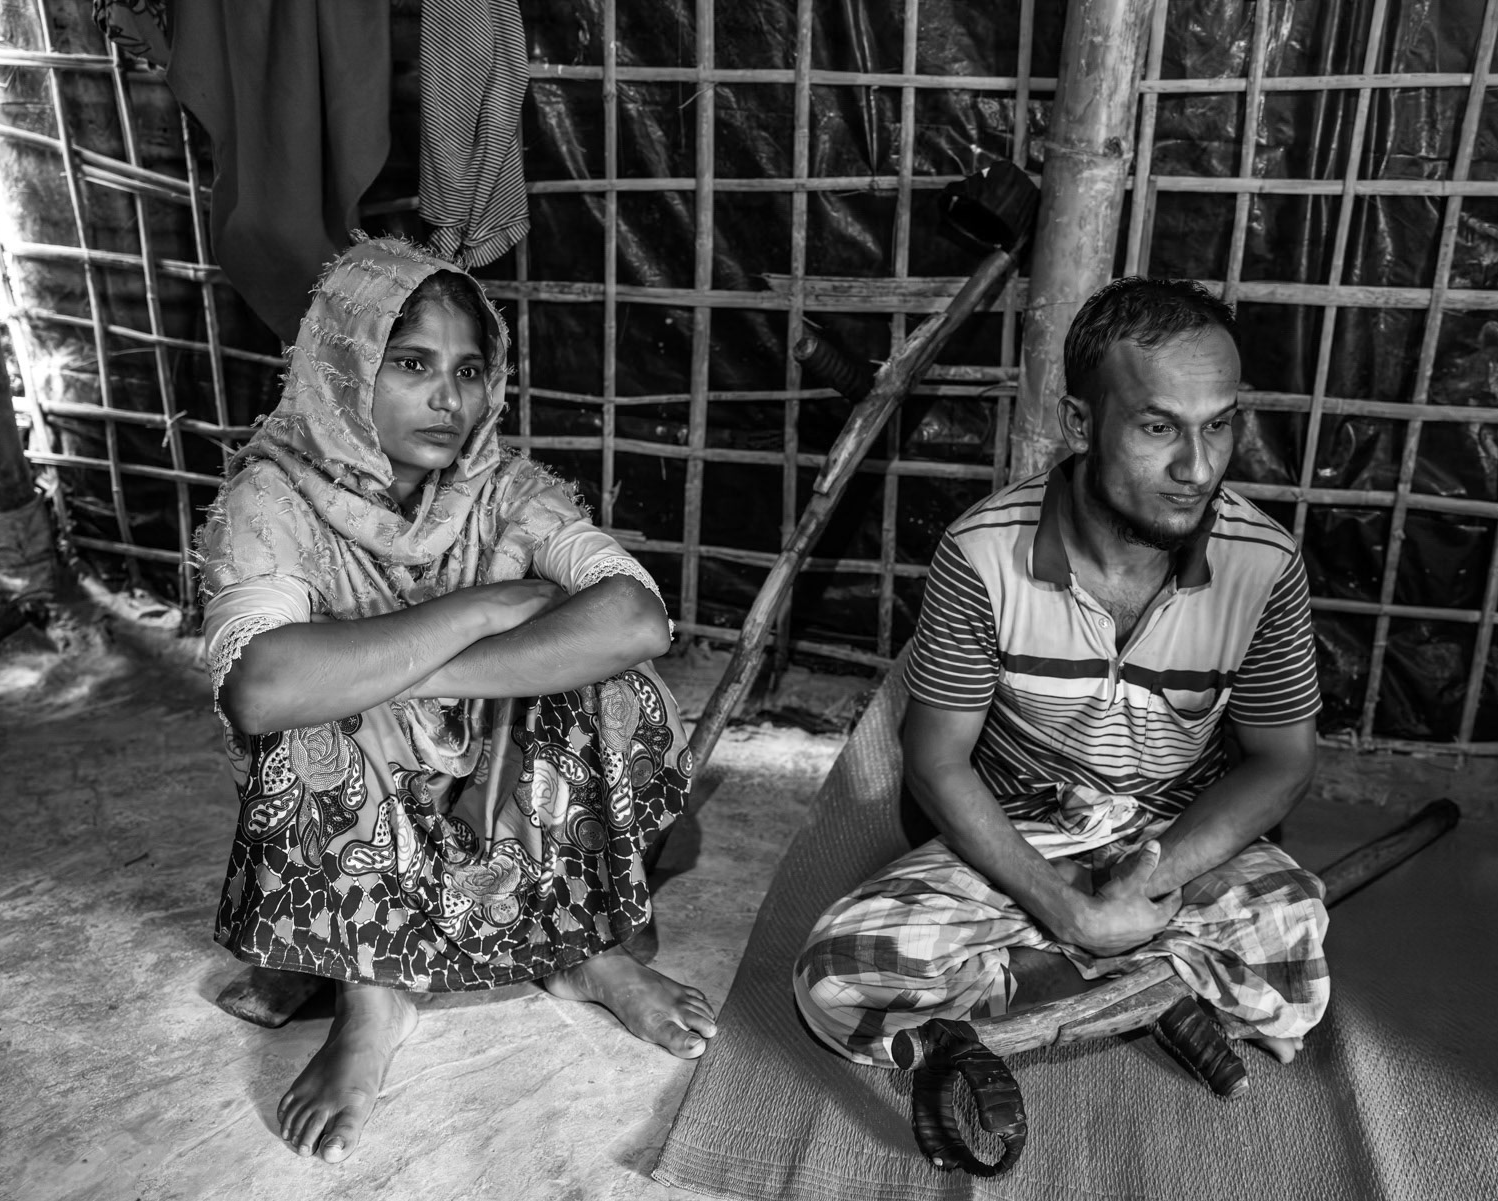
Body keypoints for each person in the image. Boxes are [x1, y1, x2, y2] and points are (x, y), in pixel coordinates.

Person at [196, 236, 717, 1164]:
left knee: (611, 683)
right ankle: (374, 993)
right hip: (366, 811)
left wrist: (419, 666)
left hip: (496, 790)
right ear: (347, 366)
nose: (449, 398)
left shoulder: (499, 488)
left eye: (470, 370)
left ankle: (579, 946)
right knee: (314, 712)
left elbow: (636, 619)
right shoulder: (271, 497)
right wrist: (474, 610)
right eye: (412, 364)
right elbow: (264, 687)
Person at [793, 277, 1328, 1081]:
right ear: (1080, 423)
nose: (1198, 466)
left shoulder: (1265, 564)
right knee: (836, 974)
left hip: (1176, 834)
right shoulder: (981, 555)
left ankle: (1041, 986)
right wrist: (1065, 903)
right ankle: (1145, 986)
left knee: (1289, 952)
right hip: (1028, 834)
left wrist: (1151, 874)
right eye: (1158, 427)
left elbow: (1282, 760)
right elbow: (935, 761)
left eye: (1219, 426)